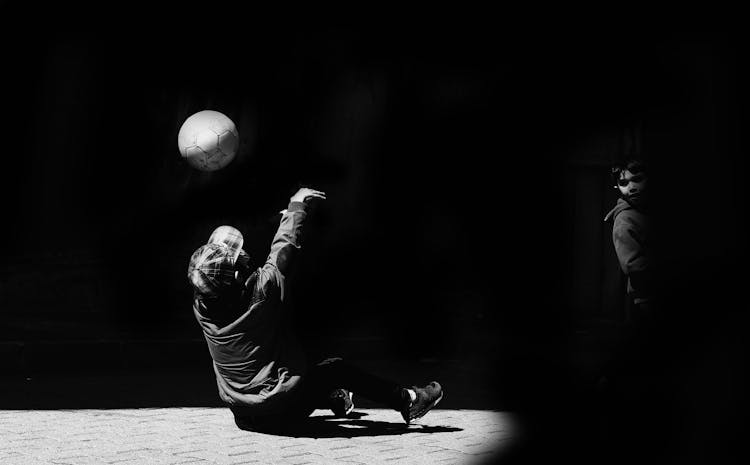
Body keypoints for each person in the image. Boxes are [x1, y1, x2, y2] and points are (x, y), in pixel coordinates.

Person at [186, 187, 443, 432]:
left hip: (241, 414)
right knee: (335, 368)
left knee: (300, 351)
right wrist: (297, 206)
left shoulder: (203, 308)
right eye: (236, 256)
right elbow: (284, 247)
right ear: (238, 273)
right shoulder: (265, 289)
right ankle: (409, 401)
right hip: (276, 412)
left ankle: (335, 398)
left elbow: (236, 272)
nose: (242, 254)